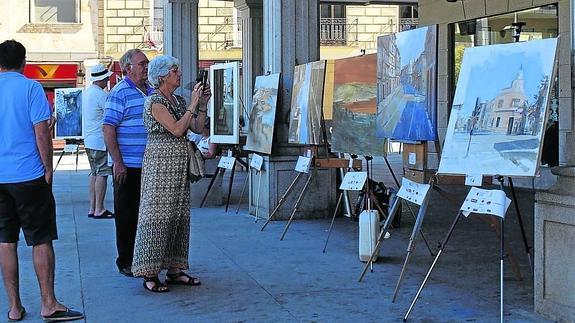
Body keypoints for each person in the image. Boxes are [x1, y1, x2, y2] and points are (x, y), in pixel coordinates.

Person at [0, 40, 84, 322]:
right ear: (24, 62)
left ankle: (13, 307)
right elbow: (41, 133)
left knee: (5, 242)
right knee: (41, 239)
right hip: (28, 175)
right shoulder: (31, 88)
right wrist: (48, 167)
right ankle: (48, 303)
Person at [131, 55, 210, 292]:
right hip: (160, 166)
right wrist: (193, 104)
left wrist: (202, 104)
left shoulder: (176, 100)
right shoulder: (154, 101)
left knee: (178, 216)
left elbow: (195, 127)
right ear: (163, 75)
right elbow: (176, 129)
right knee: (155, 217)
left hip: (178, 165)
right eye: (175, 70)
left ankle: (174, 269)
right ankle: (149, 272)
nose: (179, 73)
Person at [103, 49, 152, 278]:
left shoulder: (151, 91)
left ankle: (145, 257)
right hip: (129, 165)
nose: (145, 67)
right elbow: (108, 128)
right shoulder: (119, 93)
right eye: (141, 63)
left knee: (148, 215)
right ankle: (126, 261)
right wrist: (118, 162)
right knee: (127, 214)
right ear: (127, 68)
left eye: (146, 63)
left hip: (150, 165)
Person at [83, 63, 114, 219]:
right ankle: (99, 209)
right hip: (100, 141)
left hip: (89, 140)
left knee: (94, 173)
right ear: (102, 79)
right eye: (106, 77)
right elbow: (111, 112)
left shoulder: (87, 93)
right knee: (102, 174)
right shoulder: (101, 95)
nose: (108, 78)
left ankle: (92, 207)